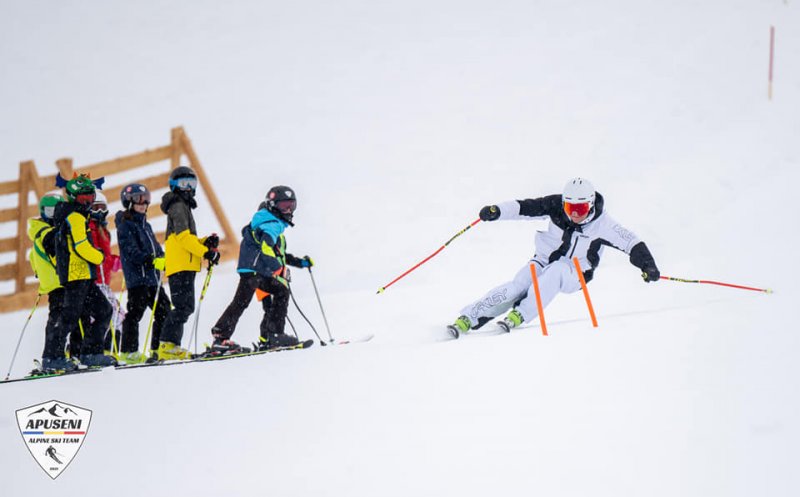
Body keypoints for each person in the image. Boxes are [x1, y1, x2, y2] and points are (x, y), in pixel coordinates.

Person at [448, 178, 660, 337]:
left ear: (591, 204)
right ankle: (470, 316)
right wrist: (497, 211)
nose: (574, 214)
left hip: (575, 272)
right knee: (518, 286)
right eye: (570, 208)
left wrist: (648, 266)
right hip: (542, 260)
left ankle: (521, 313)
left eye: (580, 208)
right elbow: (524, 207)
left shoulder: (604, 225)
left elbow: (632, 242)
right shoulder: (556, 207)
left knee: (555, 272)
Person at [210, 185, 313, 353]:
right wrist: (278, 269)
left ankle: (271, 336)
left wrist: (300, 263)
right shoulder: (271, 223)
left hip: (256, 270)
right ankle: (227, 337)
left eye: (291, 206)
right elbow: (266, 249)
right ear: (273, 205)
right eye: (284, 206)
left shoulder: (270, 224)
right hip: (255, 270)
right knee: (248, 301)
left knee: (265, 296)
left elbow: (279, 253)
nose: (288, 210)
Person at [48, 174, 116, 369]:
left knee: (104, 310)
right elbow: (80, 246)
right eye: (83, 198)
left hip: (84, 276)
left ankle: (91, 353)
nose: (87, 201)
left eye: (90, 197)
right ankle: (53, 357)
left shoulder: (77, 215)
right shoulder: (75, 217)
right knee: (70, 317)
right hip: (76, 276)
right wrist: (99, 257)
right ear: (71, 197)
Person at [158, 166, 220, 360]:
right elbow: (183, 238)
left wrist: (204, 242)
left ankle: (170, 346)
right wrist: (205, 253)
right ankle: (167, 346)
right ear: (175, 186)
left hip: (185, 263)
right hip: (180, 265)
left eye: (191, 184)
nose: (188, 188)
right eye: (184, 184)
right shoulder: (177, 206)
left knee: (185, 307)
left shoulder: (182, 206)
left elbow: (185, 239)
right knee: (183, 307)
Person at [115, 184, 171, 364]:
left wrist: (162, 258)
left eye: (146, 199)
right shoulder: (125, 225)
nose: (143, 203)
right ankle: (129, 351)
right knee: (135, 313)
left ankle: (158, 348)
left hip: (153, 279)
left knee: (164, 309)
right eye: (138, 199)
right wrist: (150, 260)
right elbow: (130, 250)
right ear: (128, 201)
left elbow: (155, 247)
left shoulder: (146, 225)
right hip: (137, 278)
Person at [28, 191, 66, 369]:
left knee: (64, 317)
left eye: (59, 210)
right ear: (43, 212)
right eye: (52, 211)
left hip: (59, 281)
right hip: (57, 283)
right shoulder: (45, 232)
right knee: (58, 318)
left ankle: (59, 354)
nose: (56, 215)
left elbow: (32, 258)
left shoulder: (46, 231)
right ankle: (51, 356)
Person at [87, 191, 124, 354]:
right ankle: (93, 349)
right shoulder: (89, 229)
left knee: (118, 316)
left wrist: (116, 261)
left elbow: (106, 256)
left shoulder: (104, 230)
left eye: (103, 208)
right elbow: (95, 254)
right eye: (96, 208)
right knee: (106, 315)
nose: (100, 212)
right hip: (94, 282)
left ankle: (109, 349)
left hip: (104, 282)